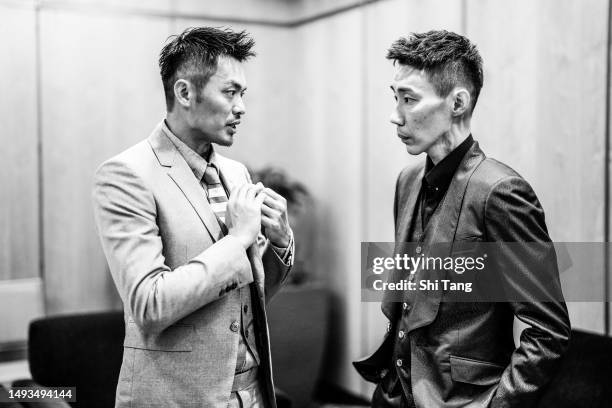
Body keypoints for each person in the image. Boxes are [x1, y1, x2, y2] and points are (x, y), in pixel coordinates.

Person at [354, 30, 570, 408]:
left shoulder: (502, 192)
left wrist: (495, 405)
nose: (395, 115)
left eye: (409, 99)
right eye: (395, 97)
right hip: (392, 395)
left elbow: (547, 330)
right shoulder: (407, 181)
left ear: (457, 102)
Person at [92, 27, 294, 408]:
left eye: (243, 94)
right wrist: (237, 241)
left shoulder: (236, 173)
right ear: (185, 92)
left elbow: (246, 296)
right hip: (180, 398)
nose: (241, 107)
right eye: (230, 92)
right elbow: (150, 306)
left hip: (254, 393)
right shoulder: (126, 175)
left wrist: (280, 241)